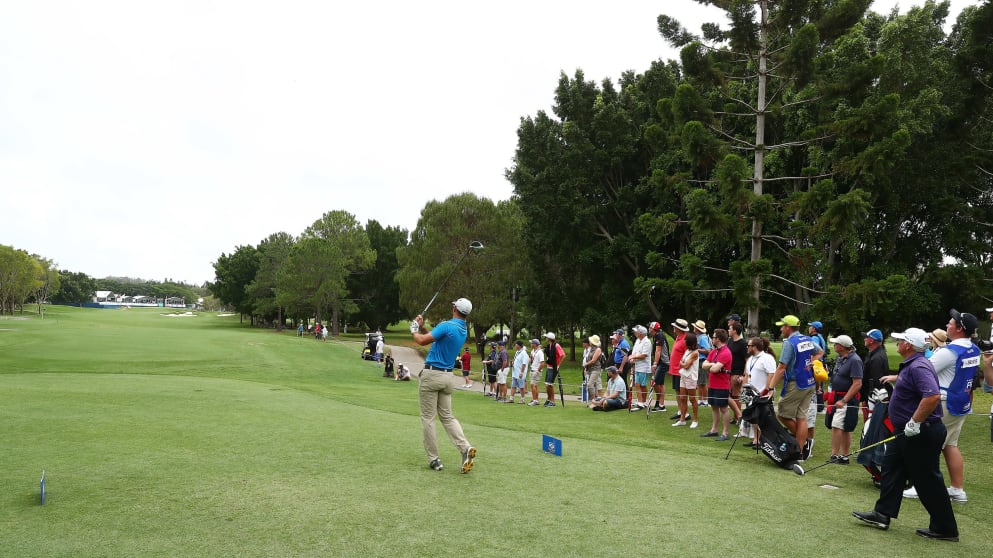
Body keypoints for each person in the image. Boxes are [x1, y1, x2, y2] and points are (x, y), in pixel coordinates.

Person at [852, 327, 958, 542]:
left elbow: (932, 396)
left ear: (908, 345)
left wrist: (914, 421)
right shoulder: (913, 364)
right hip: (906, 432)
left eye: (900, 340)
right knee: (891, 470)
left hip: (921, 432)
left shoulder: (918, 366)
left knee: (927, 479)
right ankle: (882, 514)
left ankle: (945, 528)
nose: (897, 343)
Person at [904, 310, 980, 503]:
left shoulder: (950, 351)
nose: (947, 325)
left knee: (928, 445)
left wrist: (899, 378)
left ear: (959, 329)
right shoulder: (973, 349)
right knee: (950, 445)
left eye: (950, 323)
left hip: (944, 402)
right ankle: (957, 489)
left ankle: (921, 487)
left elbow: (922, 370)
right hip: (961, 401)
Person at [410, 298, 476, 474]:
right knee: (447, 417)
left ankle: (434, 459)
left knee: (428, 418)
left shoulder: (447, 325)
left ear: (454, 308)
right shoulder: (462, 330)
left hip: (432, 375)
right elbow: (436, 338)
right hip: (447, 377)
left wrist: (414, 330)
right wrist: (423, 327)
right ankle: (465, 448)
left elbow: (422, 341)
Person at [762, 315, 822, 461]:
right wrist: (809, 363)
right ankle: (799, 451)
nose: (781, 329)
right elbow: (820, 352)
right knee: (801, 417)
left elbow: (782, 367)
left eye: (782, 326)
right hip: (809, 382)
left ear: (788, 327)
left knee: (782, 413)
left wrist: (770, 388)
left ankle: (798, 442)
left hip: (796, 384)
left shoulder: (790, 343)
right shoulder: (807, 339)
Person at [826, 335, 863, 464]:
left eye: (836, 343)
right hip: (837, 396)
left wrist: (844, 400)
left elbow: (857, 383)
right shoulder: (840, 358)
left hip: (846, 399)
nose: (834, 345)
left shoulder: (855, 360)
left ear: (842, 346)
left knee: (838, 426)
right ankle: (843, 456)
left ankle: (835, 455)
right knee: (842, 427)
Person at [700, 328, 733, 440]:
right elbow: (704, 365)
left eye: (713, 337)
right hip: (712, 385)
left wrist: (712, 365)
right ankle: (714, 430)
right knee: (714, 407)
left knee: (723, 408)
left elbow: (714, 369)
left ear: (718, 339)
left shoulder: (726, 352)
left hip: (722, 385)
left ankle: (725, 433)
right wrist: (713, 364)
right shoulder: (714, 351)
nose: (712, 339)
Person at [744, 337, 777, 447]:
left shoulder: (766, 358)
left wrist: (766, 389)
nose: (747, 347)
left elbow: (771, 374)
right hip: (752, 393)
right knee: (754, 417)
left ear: (755, 347)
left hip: (763, 393)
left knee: (763, 418)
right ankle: (756, 439)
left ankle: (764, 440)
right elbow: (748, 374)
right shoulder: (751, 359)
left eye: (749, 345)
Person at [860, 329, 889, 420]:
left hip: (873, 399)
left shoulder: (877, 358)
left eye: (866, 337)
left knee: (871, 424)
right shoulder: (873, 354)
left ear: (872, 340)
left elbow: (876, 381)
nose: (864, 339)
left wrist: (866, 398)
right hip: (871, 397)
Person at [673, 333, 700, 428]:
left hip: (691, 377)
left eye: (686, 340)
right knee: (683, 398)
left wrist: (683, 364)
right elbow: (681, 363)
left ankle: (695, 420)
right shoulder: (687, 350)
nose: (684, 341)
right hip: (684, 375)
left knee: (692, 399)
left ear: (689, 341)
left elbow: (686, 365)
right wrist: (683, 364)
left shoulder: (695, 352)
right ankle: (682, 419)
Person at [668, 319, 690, 421]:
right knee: (677, 391)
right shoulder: (678, 337)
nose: (673, 328)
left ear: (678, 329)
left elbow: (688, 356)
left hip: (680, 370)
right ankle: (680, 411)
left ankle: (685, 414)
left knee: (682, 393)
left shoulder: (685, 339)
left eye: (675, 326)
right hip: (675, 370)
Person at [727, 323, 748, 427]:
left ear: (735, 330)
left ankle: (739, 418)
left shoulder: (743, 343)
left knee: (736, 396)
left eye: (730, 328)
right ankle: (736, 416)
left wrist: (744, 375)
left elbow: (747, 359)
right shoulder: (730, 341)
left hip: (738, 372)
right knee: (729, 395)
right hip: (729, 371)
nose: (728, 330)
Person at [649, 321, 670, 413]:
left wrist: (655, 363)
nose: (648, 328)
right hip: (662, 362)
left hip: (663, 362)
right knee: (660, 384)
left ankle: (660, 402)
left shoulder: (659, 336)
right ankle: (661, 404)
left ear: (653, 329)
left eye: (649, 327)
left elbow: (658, 351)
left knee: (655, 382)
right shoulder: (656, 336)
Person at [629, 325, 652, 410]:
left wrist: (633, 357)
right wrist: (632, 357)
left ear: (641, 333)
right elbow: (634, 352)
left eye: (636, 332)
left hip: (644, 366)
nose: (635, 333)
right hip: (637, 366)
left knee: (642, 385)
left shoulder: (647, 342)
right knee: (637, 384)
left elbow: (644, 355)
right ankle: (640, 402)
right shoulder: (638, 340)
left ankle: (642, 402)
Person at [808, 321, 827, 413]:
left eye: (810, 326)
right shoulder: (820, 337)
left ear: (814, 329)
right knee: (819, 383)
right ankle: (820, 406)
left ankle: (818, 407)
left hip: (816, 362)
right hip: (821, 362)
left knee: (816, 384)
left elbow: (814, 351)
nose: (809, 328)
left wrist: (811, 362)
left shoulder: (814, 338)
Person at [544, 332, 565, 407]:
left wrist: (558, 365)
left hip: (553, 367)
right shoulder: (549, 345)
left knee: (550, 384)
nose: (546, 338)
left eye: (547, 337)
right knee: (547, 384)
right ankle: (549, 399)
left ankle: (552, 401)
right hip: (549, 366)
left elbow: (563, 355)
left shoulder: (556, 345)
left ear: (549, 338)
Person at [693, 320, 711, 407]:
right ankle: (700, 399)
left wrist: (697, 349)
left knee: (702, 382)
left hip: (702, 361)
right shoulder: (698, 336)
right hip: (698, 361)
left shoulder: (703, 337)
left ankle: (705, 400)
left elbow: (708, 351)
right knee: (700, 382)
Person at [582, 335, 604, 400]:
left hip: (596, 369)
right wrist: (586, 369)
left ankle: (593, 400)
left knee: (590, 384)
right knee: (595, 384)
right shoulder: (591, 349)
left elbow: (593, 360)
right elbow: (588, 358)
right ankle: (597, 400)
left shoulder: (598, 349)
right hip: (590, 369)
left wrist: (585, 365)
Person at [527, 339, 545, 406]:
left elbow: (542, 363)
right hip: (532, 369)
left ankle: (535, 400)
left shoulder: (540, 352)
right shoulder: (533, 351)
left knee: (533, 385)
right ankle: (536, 399)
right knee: (535, 386)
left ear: (535, 344)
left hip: (536, 371)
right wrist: (530, 359)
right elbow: (531, 359)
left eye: (532, 343)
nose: (531, 344)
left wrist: (538, 371)